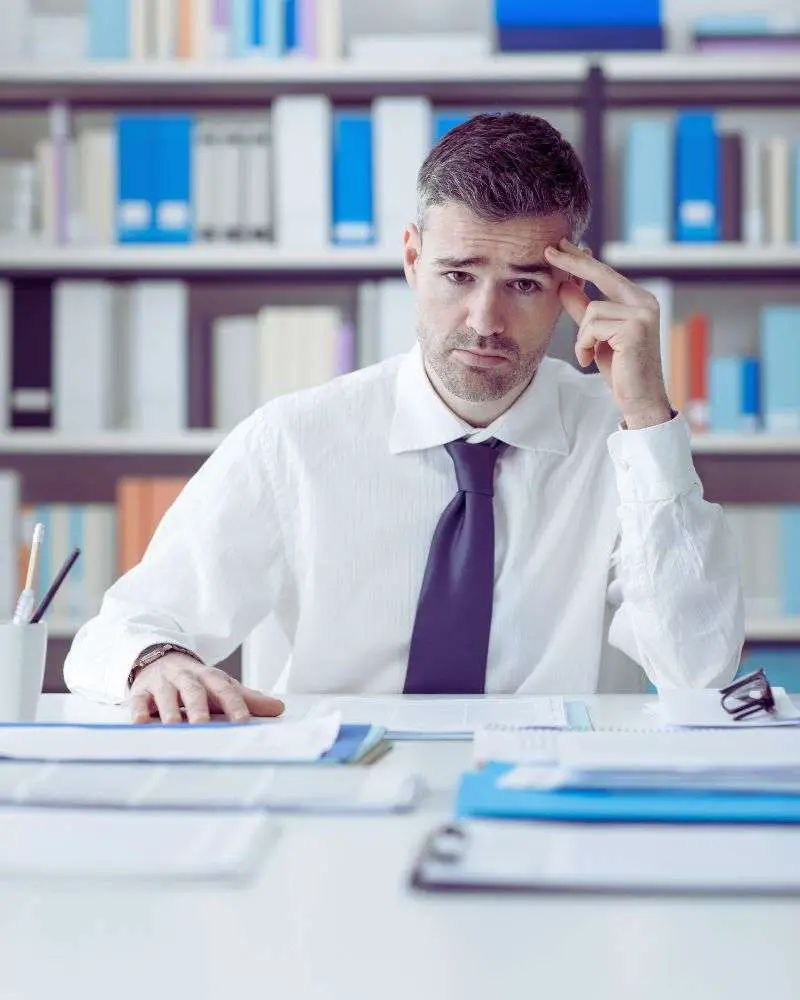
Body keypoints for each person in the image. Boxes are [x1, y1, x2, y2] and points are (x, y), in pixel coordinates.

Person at [64, 112, 744, 724]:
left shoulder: (623, 442)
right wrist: (156, 661)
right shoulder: (295, 441)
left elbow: (697, 672)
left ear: (575, 285)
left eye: (525, 284)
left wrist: (651, 418)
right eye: (458, 275)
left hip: (544, 797)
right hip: (330, 797)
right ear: (413, 260)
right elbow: (118, 629)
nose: (485, 321)